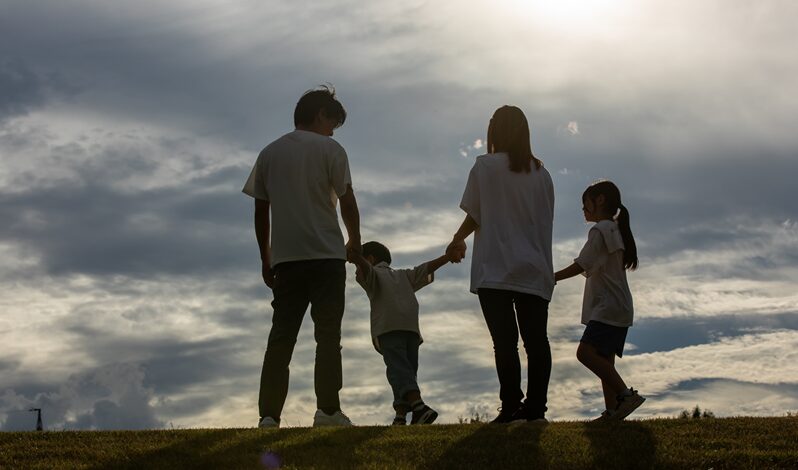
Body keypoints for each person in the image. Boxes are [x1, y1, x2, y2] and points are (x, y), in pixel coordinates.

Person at [242, 85, 361, 428]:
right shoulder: (331, 149)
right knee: (328, 336)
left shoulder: (269, 153)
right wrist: (354, 240)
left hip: (286, 260)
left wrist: (265, 257)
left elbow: (260, 210)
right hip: (326, 255)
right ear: (321, 114)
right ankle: (327, 411)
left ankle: (268, 416)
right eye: (332, 123)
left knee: (281, 338)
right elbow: (347, 201)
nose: (332, 130)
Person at [446, 105, 555, 423]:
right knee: (537, 342)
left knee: (504, 343)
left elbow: (476, 213)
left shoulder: (484, 167)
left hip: (494, 267)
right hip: (534, 267)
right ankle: (535, 410)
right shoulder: (542, 174)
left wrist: (457, 237)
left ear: (493, 130)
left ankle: (510, 408)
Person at [554, 180, 645, 421]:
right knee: (604, 360)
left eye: (585, 202)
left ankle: (626, 395)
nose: (583, 208)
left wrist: (552, 278)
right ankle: (614, 412)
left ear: (600, 200)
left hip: (608, 307)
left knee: (585, 353)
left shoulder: (600, 230)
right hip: (619, 307)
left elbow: (582, 263)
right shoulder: (614, 230)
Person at [348, 241, 457, 426]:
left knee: (398, 371)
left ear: (370, 259)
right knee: (406, 372)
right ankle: (401, 416)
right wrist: (447, 257)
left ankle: (420, 407)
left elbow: (366, 270)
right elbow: (426, 268)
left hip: (389, 328)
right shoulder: (403, 275)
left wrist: (355, 257)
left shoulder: (373, 275)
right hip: (411, 331)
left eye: (358, 265)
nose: (356, 270)